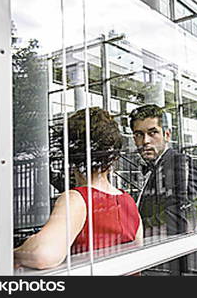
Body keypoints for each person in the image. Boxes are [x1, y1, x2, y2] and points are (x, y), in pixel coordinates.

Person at [14, 107, 143, 270]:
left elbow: (43, 254)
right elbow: (138, 250)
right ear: (114, 158)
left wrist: (16, 252)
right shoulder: (128, 201)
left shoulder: (77, 199)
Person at [129, 104, 197, 276]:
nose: (145, 141)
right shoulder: (154, 168)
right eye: (139, 135)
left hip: (179, 267)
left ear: (167, 135)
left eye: (152, 132)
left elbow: (181, 217)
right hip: (160, 265)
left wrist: (134, 228)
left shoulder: (179, 162)